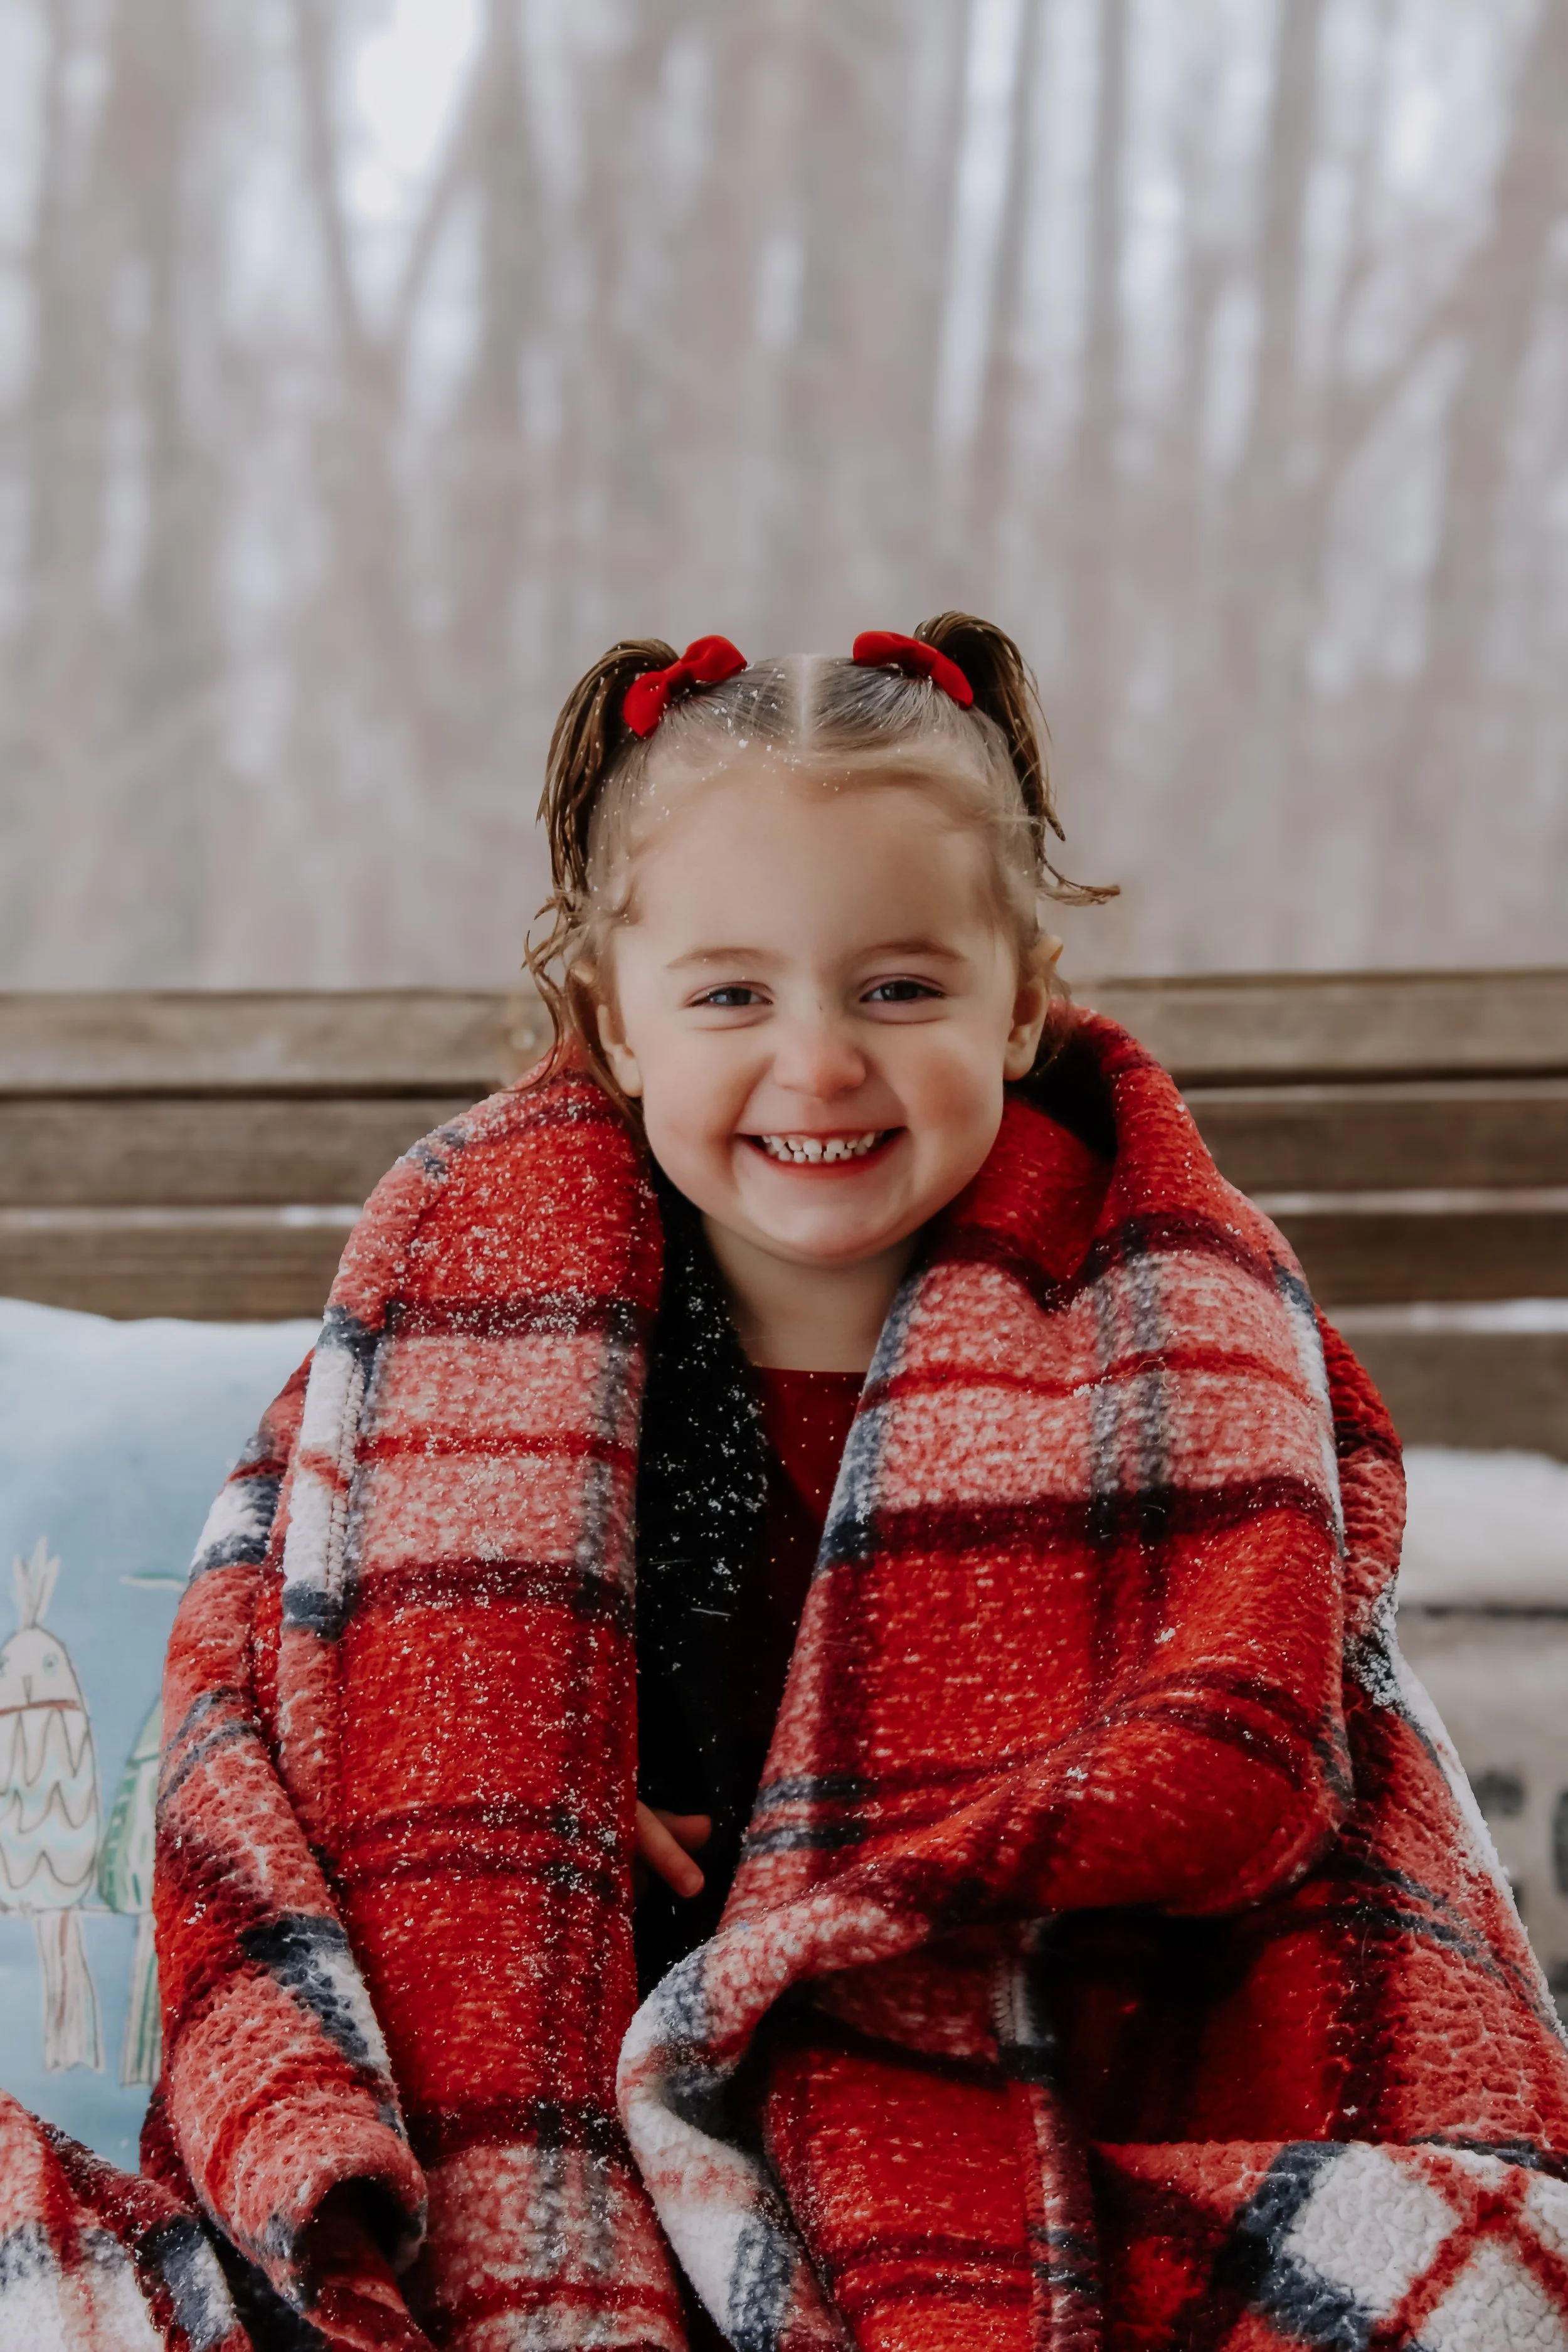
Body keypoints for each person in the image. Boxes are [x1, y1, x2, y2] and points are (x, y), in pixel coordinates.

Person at [3, 618, 1567, 2352]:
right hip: (585, 2033)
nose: (818, 1062)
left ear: (1021, 999)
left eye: (898, 990)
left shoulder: (1162, 1330)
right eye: (732, 995)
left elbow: (1274, 1686)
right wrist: (524, 1775)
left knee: (1459, 2288)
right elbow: (291, 1663)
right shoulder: (467, 1314)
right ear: (618, 1020)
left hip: (1007, 2026)